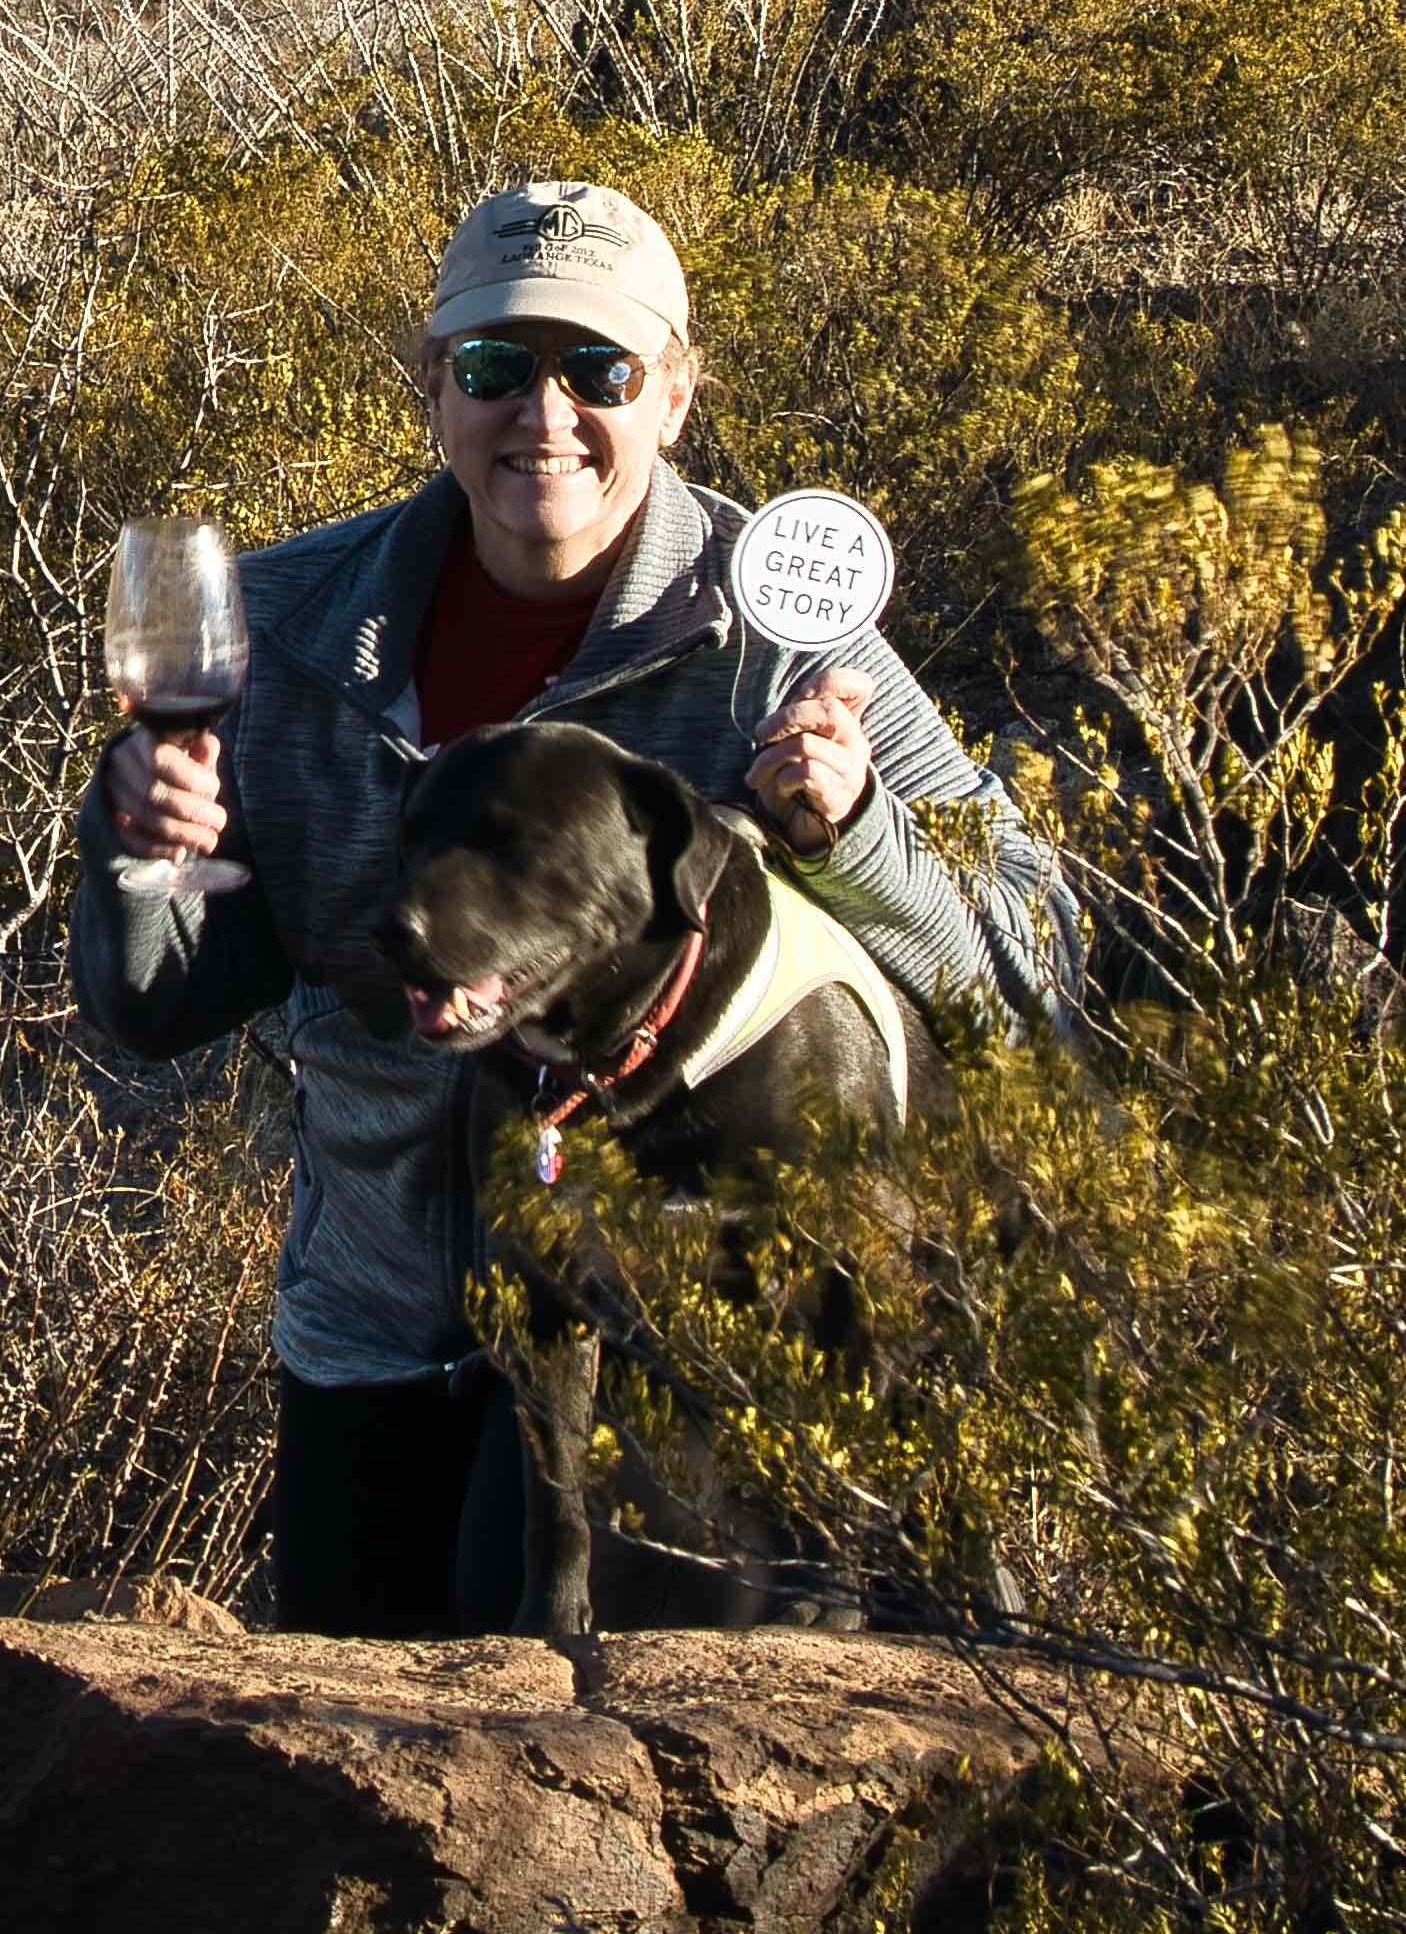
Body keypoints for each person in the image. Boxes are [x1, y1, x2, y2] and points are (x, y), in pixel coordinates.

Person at [72, 177, 1073, 1635]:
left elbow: (1028, 957)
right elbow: (159, 1010)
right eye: (494, 369)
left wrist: (855, 834)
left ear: (672, 393)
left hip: (666, 1344)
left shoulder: (775, 637)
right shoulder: (283, 631)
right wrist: (137, 854)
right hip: (377, 1313)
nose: (544, 413)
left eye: (596, 370)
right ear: (430, 392)